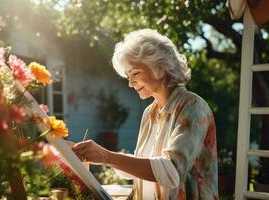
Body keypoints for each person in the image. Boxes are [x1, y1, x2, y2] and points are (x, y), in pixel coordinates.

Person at [72, 29, 218, 199]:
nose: (130, 83)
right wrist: (101, 157)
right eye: (127, 76)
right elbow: (144, 166)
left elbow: (170, 171)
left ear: (161, 68)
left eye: (135, 73)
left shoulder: (193, 107)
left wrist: (106, 156)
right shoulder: (150, 112)